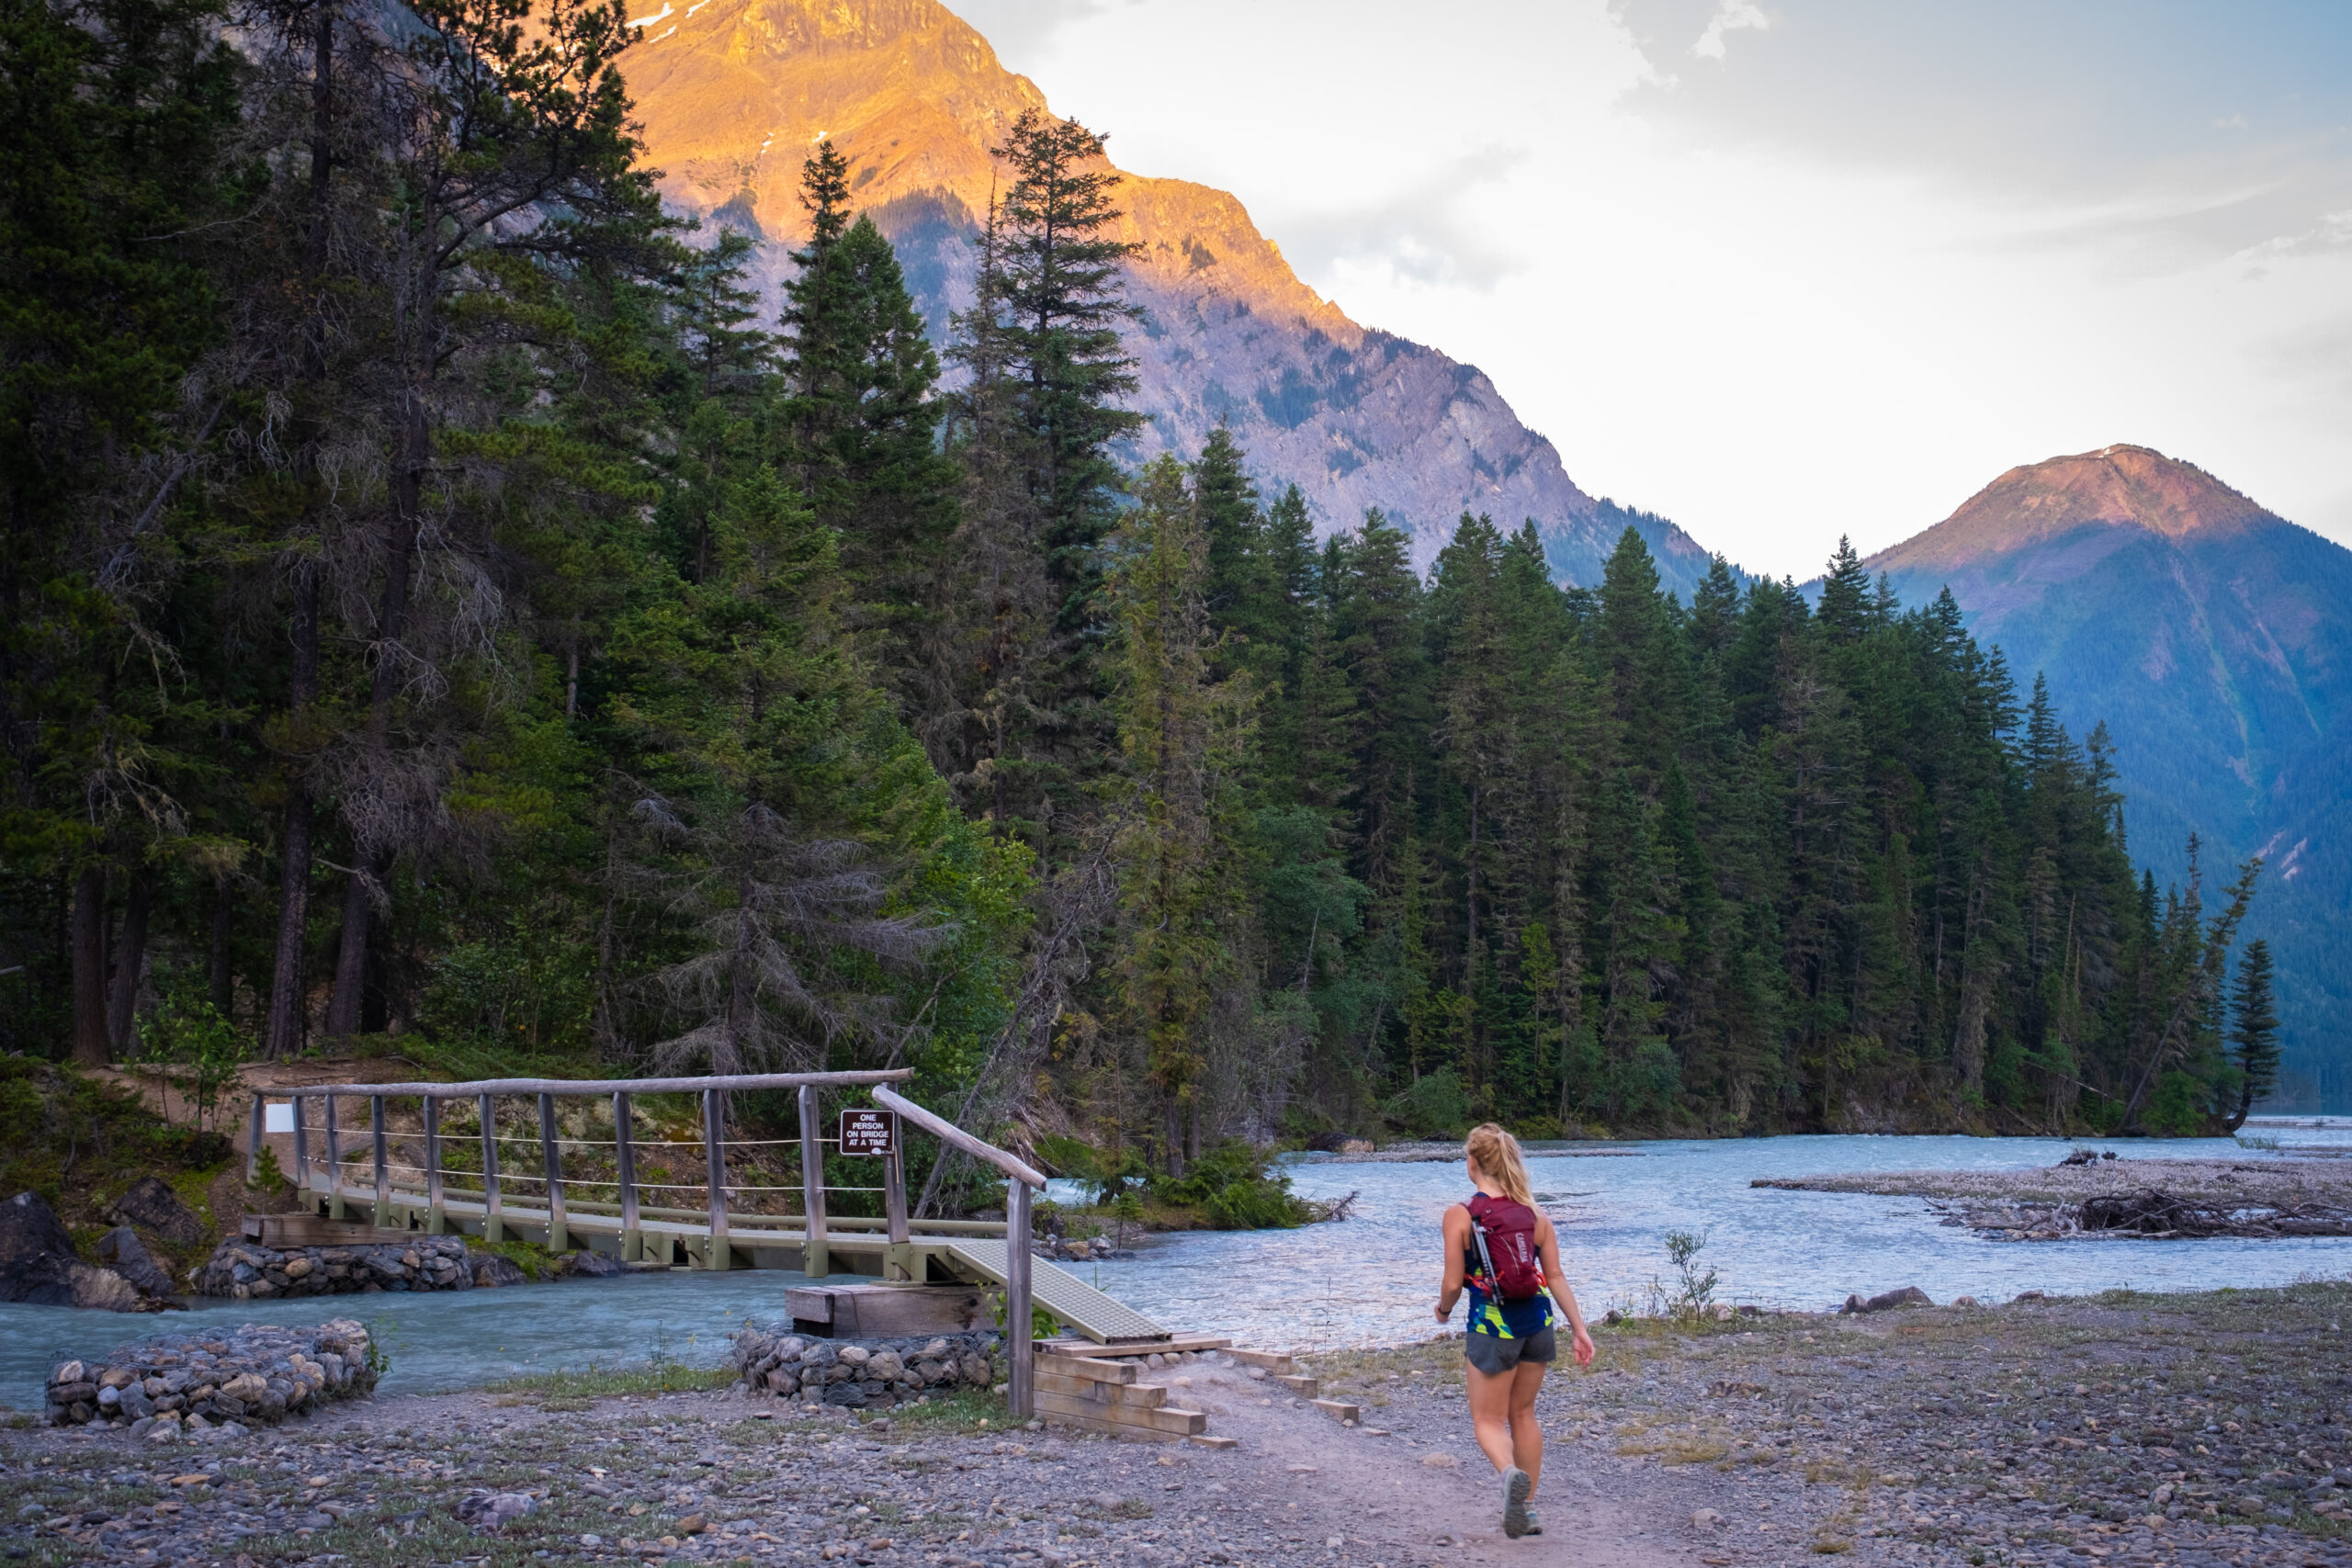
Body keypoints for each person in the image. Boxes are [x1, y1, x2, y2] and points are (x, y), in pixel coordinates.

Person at [1435, 1122, 1595, 1540]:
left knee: (1487, 1420)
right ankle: (1527, 1509)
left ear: (1472, 1163)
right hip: (1539, 1321)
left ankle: (1509, 1476)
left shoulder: (1461, 1215)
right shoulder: (1535, 1214)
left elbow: (1453, 1284)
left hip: (1493, 1323)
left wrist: (1443, 1311)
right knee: (1523, 1414)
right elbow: (1555, 1275)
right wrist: (1580, 1329)